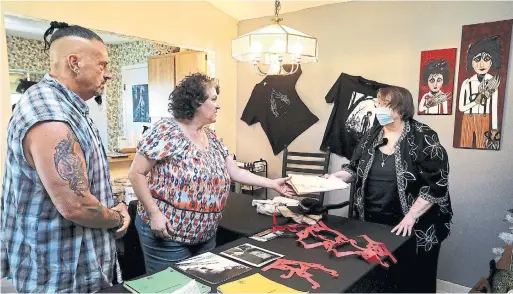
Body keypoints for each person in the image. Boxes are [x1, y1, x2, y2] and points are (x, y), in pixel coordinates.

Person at [0, 21, 130, 293]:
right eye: (103, 65)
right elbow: (76, 207)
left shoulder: (67, 106)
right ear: (74, 63)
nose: (109, 74)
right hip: (61, 271)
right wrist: (118, 218)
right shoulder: (51, 115)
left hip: (78, 259)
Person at [128, 73, 295, 273]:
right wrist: (154, 214)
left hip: (205, 235)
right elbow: (136, 173)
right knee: (173, 288)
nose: (218, 105)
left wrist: (273, 183)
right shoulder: (165, 131)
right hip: (168, 234)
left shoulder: (211, 136)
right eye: (213, 99)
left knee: (203, 286)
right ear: (196, 102)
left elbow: (235, 172)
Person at [325, 86, 453, 292]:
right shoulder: (371, 135)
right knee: (377, 275)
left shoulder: (424, 136)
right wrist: (332, 179)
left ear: (401, 110)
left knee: (412, 277)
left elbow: (436, 185)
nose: (378, 109)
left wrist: (411, 216)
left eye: (385, 105)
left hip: (414, 223)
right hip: (372, 219)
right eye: (378, 104)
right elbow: (354, 169)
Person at [458, 35, 501, 149]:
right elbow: (461, 108)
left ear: (492, 62)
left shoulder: (493, 82)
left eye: (486, 59)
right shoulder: (467, 83)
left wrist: (495, 128)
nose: (481, 64)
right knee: (464, 146)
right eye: (477, 59)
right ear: (471, 62)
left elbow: (494, 107)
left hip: (484, 119)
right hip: (467, 118)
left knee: (483, 148)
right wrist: (476, 101)